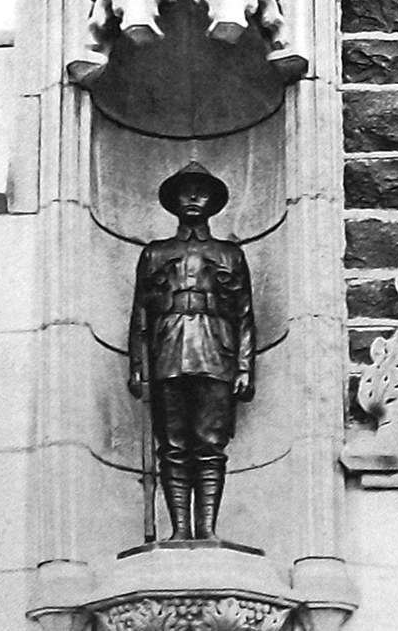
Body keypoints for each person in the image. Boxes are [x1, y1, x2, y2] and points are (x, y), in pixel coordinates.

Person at [129, 162, 256, 541]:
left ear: (214, 201)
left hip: (217, 351)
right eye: (186, 191)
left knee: (210, 444)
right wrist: (138, 363)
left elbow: (245, 314)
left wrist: (246, 366)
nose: (194, 198)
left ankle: (207, 530)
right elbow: (139, 313)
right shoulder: (154, 254)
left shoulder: (230, 254)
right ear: (173, 201)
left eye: (202, 191)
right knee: (172, 445)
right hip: (167, 349)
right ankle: (179, 531)